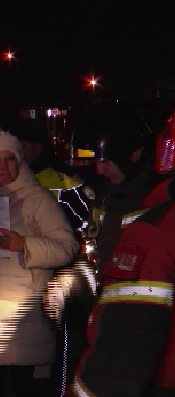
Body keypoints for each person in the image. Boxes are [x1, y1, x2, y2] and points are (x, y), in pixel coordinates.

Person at [0, 124, 78, 397]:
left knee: (23, 389)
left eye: (10, 159)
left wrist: (24, 244)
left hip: (20, 325)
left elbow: (67, 247)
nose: (4, 167)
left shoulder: (36, 199)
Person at [69, 110, 175, 396]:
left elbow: (123, 353)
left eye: (106, 161)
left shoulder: (153, 223)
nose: (99, 169)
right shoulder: (107, 199)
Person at [68, 104, 158, 271]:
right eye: (95, 162)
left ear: (133, 155)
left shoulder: (160, 201)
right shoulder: (102, 195)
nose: (99, 170)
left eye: (105, 162)